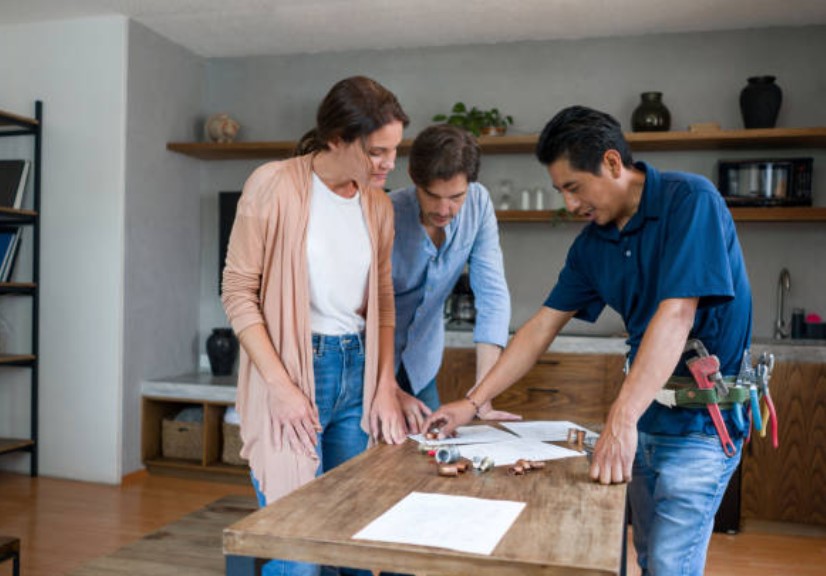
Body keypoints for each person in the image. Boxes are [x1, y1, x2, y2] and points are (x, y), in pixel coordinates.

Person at [423, 106, 752, 576]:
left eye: (574, 187)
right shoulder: (592, 246)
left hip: (702, 424)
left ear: (613, 164)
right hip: (647, 416)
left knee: (669, 564)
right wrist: (473, 402)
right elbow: (540, 327)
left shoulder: (690, 201)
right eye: (561, 191)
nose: (570, 204)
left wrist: (621, 417)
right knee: (646, 556)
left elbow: (677, 313)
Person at [222, 75, 423, 576]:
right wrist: (282, 388)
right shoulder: (273, 185)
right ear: (337, 139)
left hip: (357, 374)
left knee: (354, 540)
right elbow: (238, 292)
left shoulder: (376, 205)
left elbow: (381, 300)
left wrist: (383, 386)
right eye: (377, 152)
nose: (389, 165)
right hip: (294, 375)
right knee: (299, 553)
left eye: (394, 151)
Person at [389, 124, 517, 429]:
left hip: (421, 364)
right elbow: (366, 310)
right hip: (368, 367)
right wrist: (387, 389)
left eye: (456, 196)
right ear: (414, 178)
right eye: (432, 196)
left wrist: (482, 393)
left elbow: (492, 296)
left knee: (428, 458)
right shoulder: (387, 213)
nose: (444, 209)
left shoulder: (478, 204)